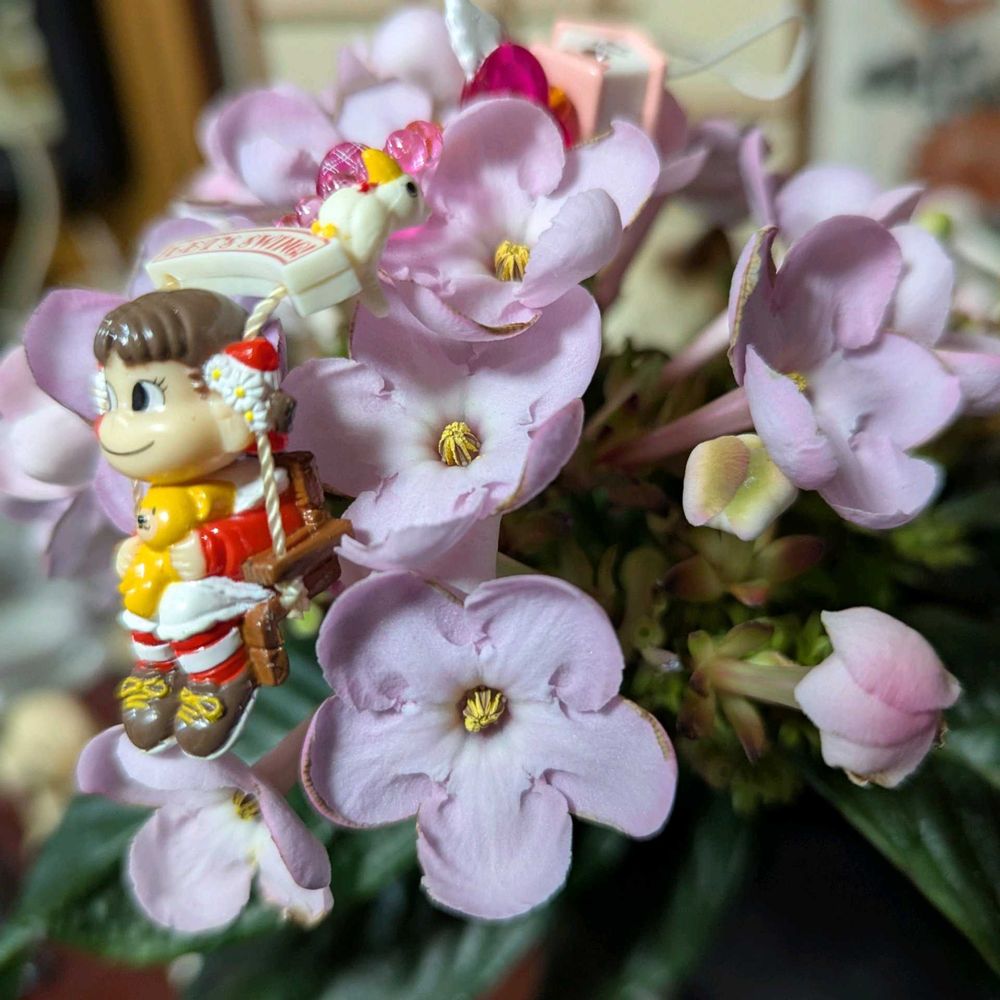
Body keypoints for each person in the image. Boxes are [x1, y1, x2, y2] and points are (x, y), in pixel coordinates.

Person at [94, 288, 302, 758]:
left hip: (234, 582)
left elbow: (282, 525)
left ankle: (220, 677)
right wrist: (137, 548)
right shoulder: (159, 486)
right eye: (112, 399)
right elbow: (155, 529)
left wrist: (212, 547)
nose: (117, 426)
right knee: (141, 598)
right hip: (173, 575)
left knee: (181, 603)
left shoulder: (256, 482)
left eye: (144, 398)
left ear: (227, 402)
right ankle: (157, 671)